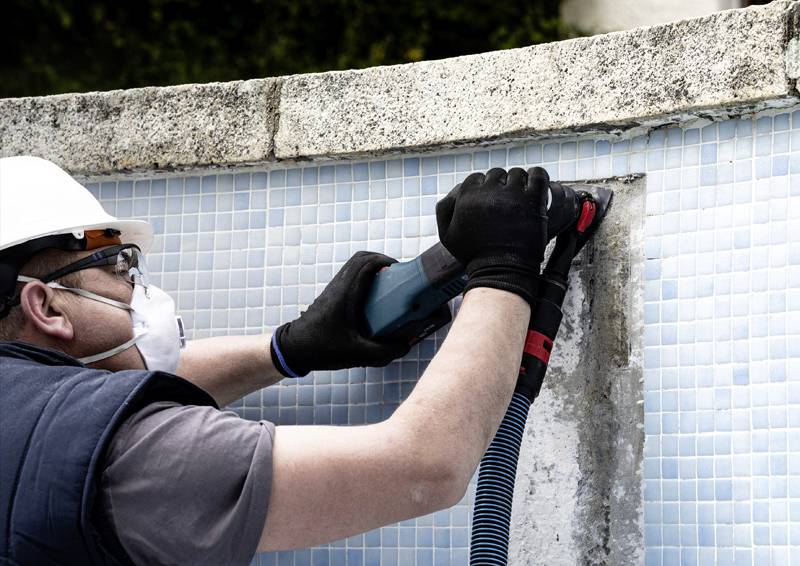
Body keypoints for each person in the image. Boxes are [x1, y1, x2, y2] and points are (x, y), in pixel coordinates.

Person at [0, 155, 549, 565]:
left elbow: (107, 400)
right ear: (46, 306)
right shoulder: (133, 458)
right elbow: (424, 468)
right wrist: (503, 266)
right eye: (118, 267)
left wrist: (289, 348)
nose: (136, 288)